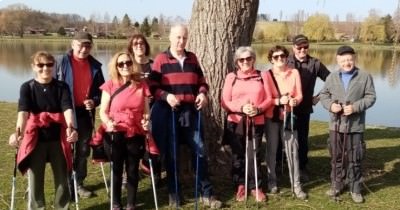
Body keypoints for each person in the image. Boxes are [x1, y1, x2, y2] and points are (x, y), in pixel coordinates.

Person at [148, 24, 222, 209]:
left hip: (190, 110)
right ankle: (174, 194)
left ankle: (206, 193)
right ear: (171, 38)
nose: (181, 41)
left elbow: (202, 82)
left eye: (184, 38)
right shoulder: (161, 59)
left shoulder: (193, 58)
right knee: (172, 154)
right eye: (178, 37)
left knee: (200, 150)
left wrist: (203, 94)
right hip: (169, 111)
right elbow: (152, 87)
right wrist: (166, 96)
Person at [8, 51, 78, 209]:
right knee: (35, 178)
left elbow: (67, 109)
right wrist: (17, 133)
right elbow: (23, 113)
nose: (45, 68)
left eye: (49, 65)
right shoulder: (27, 87)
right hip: (35, 140)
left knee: (62, 177)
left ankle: (61, 206)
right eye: (41, 65)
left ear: (54, 66)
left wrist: (71, 128)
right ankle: (37, 207)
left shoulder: (62, 86)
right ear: (33, 67)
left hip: (58, 139)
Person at [91, 51, 150, 210]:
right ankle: (116, 204)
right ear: (116, 66)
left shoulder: (142, 85)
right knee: (116, 168)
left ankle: (131, 204)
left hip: (135, 131)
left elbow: (146, 111)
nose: (125, 66)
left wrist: (146, 121)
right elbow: (103, 111)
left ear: (133, 64)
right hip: (115, 131)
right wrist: (108, 122)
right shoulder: (109, 85)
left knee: (132, 168)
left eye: (128, 63)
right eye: (121, 63)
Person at [320, 45, 376, 203]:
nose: (347, 63)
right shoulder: (331, 77)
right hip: (336, 125)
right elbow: (324, 95)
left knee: (355, 158)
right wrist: (331, 105)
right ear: (338, 60)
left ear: (354, 58)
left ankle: (355, 188)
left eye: (349, 59)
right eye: (343, 60)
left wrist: (355, 107)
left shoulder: (365, 76)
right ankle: (337, 185)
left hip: (355, 126)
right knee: (336, 157)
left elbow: (371, 97)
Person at [55, 31, 105, 198]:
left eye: (88, 46)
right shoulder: (61, 62)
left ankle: (78, 184)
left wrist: (94, 101)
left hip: (84, 114)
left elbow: (102, 92)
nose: (84, 49)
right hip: (64, 114)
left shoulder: (96, 66)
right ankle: (64, 184)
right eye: (81, 45)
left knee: (83, 151)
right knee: (65, 150)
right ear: (73, 44)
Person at [221, 46, 272, 202]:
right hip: (235, 122)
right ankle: (240, 184)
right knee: (238, 155)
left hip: (256, 121)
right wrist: (241, 108)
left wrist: (258, 109)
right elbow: (224, 102)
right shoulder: (232, 77)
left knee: (254, 154)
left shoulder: (263, 76)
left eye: (248, 58)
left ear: (253, 59)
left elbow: (269, 99)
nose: (245, 62)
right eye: (241, 59)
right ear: (237, 62)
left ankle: (255, 186)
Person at [264, 45, 307, 200]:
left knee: (292, 150)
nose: (280, 59)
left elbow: (300, 94)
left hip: (289, 116)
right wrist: (277, 101)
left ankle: (296, 185)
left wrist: (295, 100)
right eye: (276, 57)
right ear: (271, 59)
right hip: (272, 118)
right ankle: (272, 181)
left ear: (287, 57)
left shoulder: (294, 72)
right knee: (272, 150)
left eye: (282, 56)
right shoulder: (266, 75)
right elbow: (266, 98)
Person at [287, 34, 330, 181]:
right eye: (299, 47)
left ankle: (302, 167)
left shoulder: (315, 63)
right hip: (285, 108)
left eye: (305, 47)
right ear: (294, 48)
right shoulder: (285, 61)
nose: (302, 50)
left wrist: (319, 96)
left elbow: (332, 81)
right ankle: (282, 164)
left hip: (304, 108)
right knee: (284, 137)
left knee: (302, 139)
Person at [127, 33, 162, 186]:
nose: (139, 46)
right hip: (133, 110)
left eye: (141, 43)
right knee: (130, 142)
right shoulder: (126, 65)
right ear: (131, 47)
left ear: (146, 46)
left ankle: (156, 173)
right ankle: (128, 175)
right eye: (135, 44)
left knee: (154, 140)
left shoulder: (154, 65)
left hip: (153, 108)